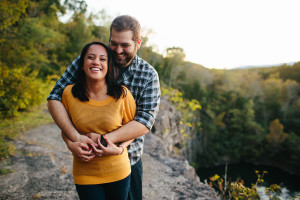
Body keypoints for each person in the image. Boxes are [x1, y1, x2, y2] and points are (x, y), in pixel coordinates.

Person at [47, 15, 160, 200]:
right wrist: (73, 140)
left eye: (125, 45)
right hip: (88, 162)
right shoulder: (91, 60)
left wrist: (107, 141)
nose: (118, 50)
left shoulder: (148, 75)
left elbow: (145, 120)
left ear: (138, 43)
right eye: (113, 43)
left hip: (128, 160)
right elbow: (55, 97)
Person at [61, 41, 136, 199]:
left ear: (109, 66)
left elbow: (132, 130)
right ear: (82, 64)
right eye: (90, 57)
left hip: (118, 170)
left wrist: (120, 149)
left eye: (102, 59)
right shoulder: (68, 94)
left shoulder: (122, 95)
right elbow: (65, 129)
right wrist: (70, 145)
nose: (96, 62)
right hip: (85, 172)